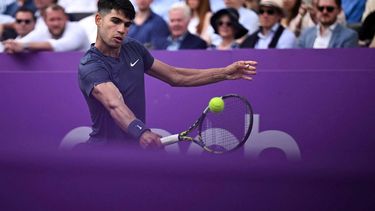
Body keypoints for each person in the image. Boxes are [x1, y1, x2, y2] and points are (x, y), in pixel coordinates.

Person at [78, 0, 257, 149]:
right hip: (102, 154)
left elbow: (176, 76)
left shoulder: (133, 48)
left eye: (127, 24)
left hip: (134, 153)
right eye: (115, 21)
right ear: (98, 20)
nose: (121, 29)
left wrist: (224, 73)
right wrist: (141, 131)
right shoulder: (91, 65)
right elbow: (114, 104)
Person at [3, 4, 89, 53]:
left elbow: (63, 44)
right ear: (45, 21)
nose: (56, 23)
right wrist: (11, 46)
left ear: (66, 18)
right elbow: (22, 42)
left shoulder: (76, 28)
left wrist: (24, 46)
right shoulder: (42, 31)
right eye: (52, 20)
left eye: (59, 19)